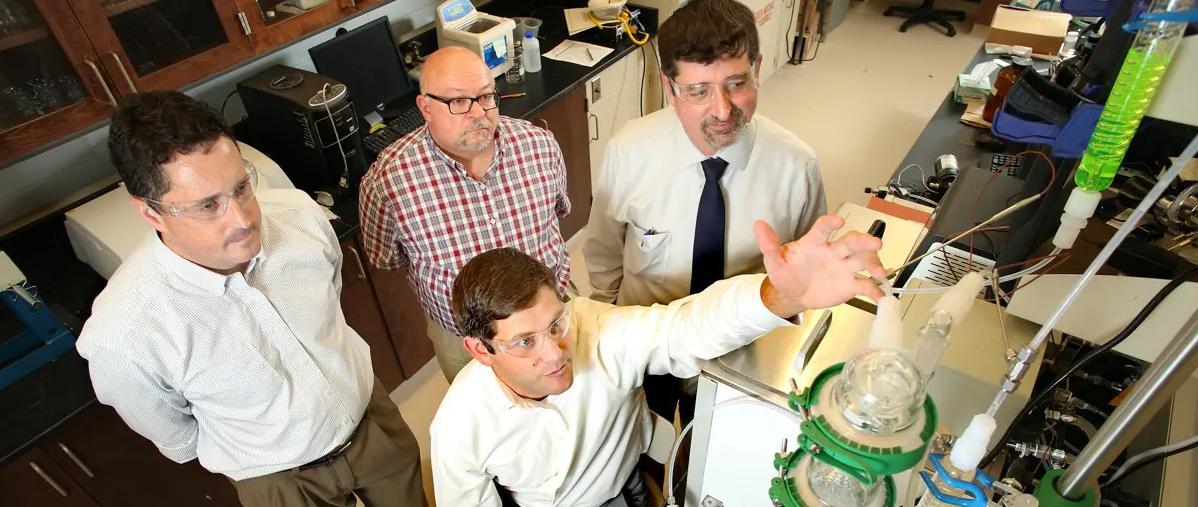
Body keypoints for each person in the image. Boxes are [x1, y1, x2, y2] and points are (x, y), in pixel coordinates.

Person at [76, 91, 426, 507]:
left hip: (372, 422)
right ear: (150, 212)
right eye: (207, 206)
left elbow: (332, 299)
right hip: (278, 481)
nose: (242, 219)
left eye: (242, 187)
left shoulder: (301, 217)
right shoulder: (124, 335)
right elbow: (177, 438)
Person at [431, 215, 886, 506]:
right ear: (480, 350)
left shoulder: (596, 329)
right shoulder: (457, 426)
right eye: (524, 343)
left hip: (628, 484)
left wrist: (777, 296)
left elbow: (684, 328)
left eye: (555, 325)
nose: (555, 353)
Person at [583, 0, 828, 425]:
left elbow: (805, 279)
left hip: (739, 358)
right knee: (643, 453)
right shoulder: (628, 152)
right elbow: (604, 253)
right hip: (646, 346)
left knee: (706, 466)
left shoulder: (797, 168)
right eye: (698, 91)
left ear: (758, 68)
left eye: (736, 83)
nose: (721, 109)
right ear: (669, 86)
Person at [359, 46, 571, 382]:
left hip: (550, 322)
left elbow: (558, 214)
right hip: (464, 340)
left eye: (487, 96)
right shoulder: (389, 181)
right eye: (458, 101)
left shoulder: (540, 145)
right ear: (425, 107)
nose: (479, 113)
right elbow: (386, 258)